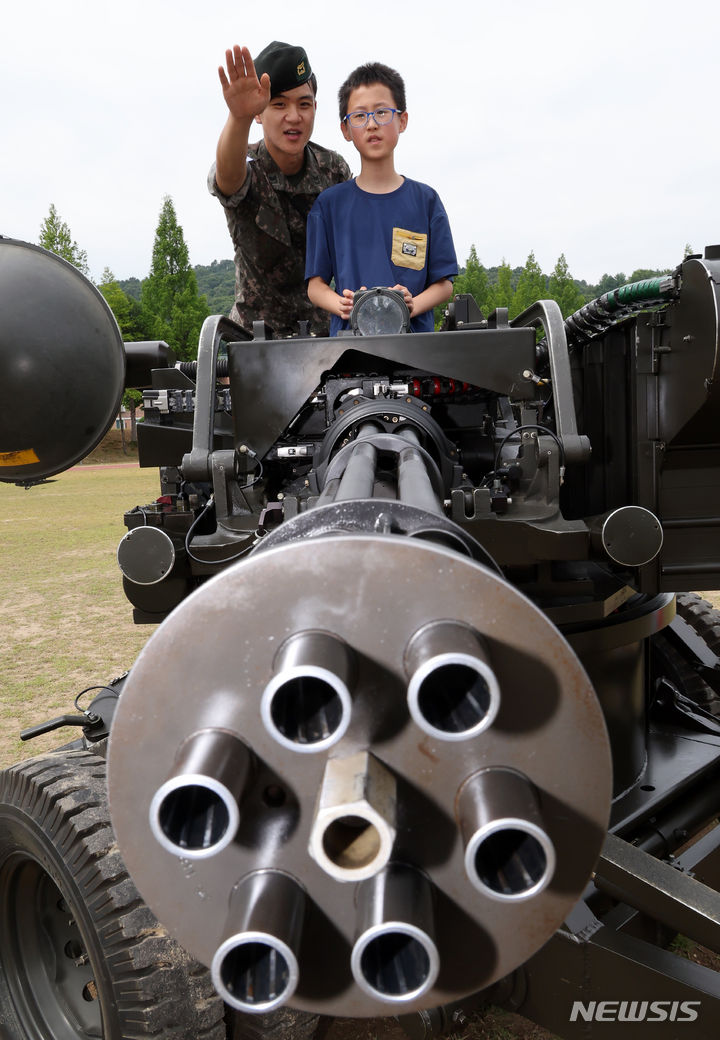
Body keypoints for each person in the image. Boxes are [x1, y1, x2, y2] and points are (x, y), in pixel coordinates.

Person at [208, 42, 352, 337]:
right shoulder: (246, 162)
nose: (294, 116)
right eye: (279, 104)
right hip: (254, 338)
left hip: (322, 338)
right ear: (259, 113)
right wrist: (239, 117)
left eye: (304, 104)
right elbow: (228, 178)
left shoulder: (333, 169)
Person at [305, 62, 457, 335]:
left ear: (402, 120)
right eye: (360, 116)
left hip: (417, 353)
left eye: (382, 112)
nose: (372, 124)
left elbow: (444, 284)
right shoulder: (329, 206)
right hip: (348, 351)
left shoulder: (426, 201)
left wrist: (412, 305)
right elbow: (315, 286)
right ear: (346, 129)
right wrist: (343, 305)